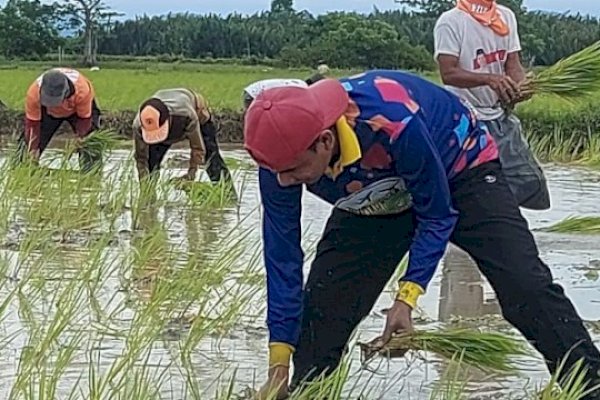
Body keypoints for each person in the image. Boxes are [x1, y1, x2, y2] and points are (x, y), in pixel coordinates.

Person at [242, 70, 600, 399]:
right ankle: (309, 392)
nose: (284, 182)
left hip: (460, 173)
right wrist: (278, 366)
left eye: (292, 171)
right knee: (323, 312)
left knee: (525, 287)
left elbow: (436, 214)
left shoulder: (392, 122)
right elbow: (282, 256)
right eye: (275, 172)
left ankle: (590, 386)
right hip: (374, 195)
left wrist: (407, 298)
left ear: (323, 141)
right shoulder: (278, 161)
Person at [434, 0, 550, 210]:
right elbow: (448, 73)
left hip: (497, 113)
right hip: (464, 116)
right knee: (474, 182)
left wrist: (521, 86)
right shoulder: (451, 22)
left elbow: (512, 63)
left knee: (528, 181)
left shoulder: (505, 17)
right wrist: (489, 79)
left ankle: (506, 222)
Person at [133, 88, 231, 183]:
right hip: (165, 111)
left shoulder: (186, 115)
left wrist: (190, 175)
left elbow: (198, 149)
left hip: (195, 113)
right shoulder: (138, 125)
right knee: (151, 162)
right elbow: (141, 159)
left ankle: (228, 195)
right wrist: (145, 188)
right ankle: (150, 197)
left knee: (211, 158)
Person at [20, 67, 101, 171]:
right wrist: (32, 149)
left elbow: (84, 120)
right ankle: (25, 171)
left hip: (77, 110)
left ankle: (91, 173)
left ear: (66, 92)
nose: (54, 105)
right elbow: (33, 124)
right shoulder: (34, 94)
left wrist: (80, 139)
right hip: (46, 112)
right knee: (24, 154)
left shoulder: (82, 91)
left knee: (90, 144)